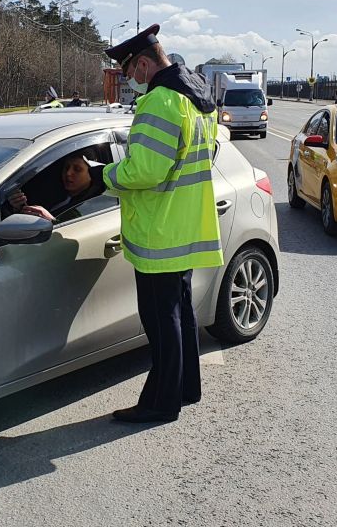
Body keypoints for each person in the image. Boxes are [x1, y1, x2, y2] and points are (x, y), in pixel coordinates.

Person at [95, 23, 223, 423]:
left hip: (158, 232)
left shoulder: (160, 102)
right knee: (180, 313)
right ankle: (186, 388)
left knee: (161, 320)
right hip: (186, 227)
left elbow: (145, 172)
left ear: (145, 64)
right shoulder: (199, 99)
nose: (130, 80)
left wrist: (103, 176)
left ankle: (159, 403)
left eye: (130, 71)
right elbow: (209, 151)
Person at [7, 151, 103, 222]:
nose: (68, 173)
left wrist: (51, 221)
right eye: (66, 167)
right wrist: (20, 208)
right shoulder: (52, 192)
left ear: (92, 173)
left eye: (77, 169)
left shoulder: (94, 205)